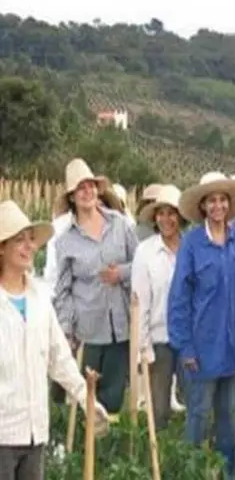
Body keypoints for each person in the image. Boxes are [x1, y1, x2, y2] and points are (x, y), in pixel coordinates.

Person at [0, 200, 110, 480]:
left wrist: (86, 399)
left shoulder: (39, 299)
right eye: (19, 241)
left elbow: (59, 357)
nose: (29, 247)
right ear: (2, 247)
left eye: (31, 240)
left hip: (35, 430)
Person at [167, 172, 235, 479]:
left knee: (228, 419)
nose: (218, 206)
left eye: (222, 200)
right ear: (203, 206)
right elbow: (179, 298)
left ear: (229, 205)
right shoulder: (192, 244)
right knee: (199, 415)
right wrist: (185, 346)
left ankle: (227, 474)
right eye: (212, 201)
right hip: (203, 349)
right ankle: (191, 472)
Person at [53, 158, 138, 418]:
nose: (87, 192)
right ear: (72, 198)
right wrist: (67, 330)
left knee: (113, 397)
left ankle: (108, 453)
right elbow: (63, 290)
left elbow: (141, 266)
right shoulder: (66, 241)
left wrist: (120, 273)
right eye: (80, 188)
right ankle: (84, 449)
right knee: (86, 398)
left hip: (120, 326)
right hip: (88, 331)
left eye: (90, 185)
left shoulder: (121, 225)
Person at [132, 184, 184, 429]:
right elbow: (140, 301)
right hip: (159, 337)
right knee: (159, 409)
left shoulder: (191, 248)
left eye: (171, 213)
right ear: (155, 217)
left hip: (187, 337)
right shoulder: (146, 252)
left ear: (180, 216)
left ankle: (188, 458)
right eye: (161, 213)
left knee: (195, 405)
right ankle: (158, 458)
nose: (166, 219)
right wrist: (144, 347)